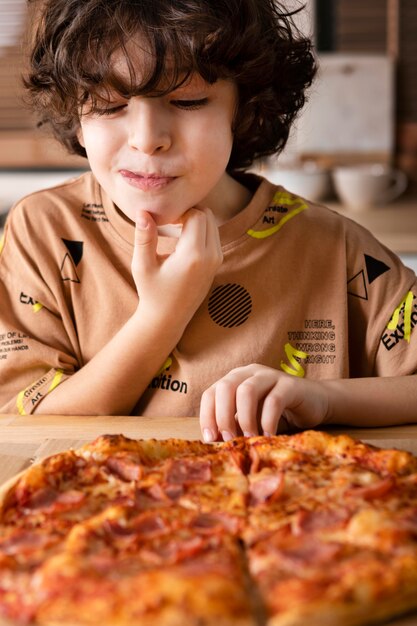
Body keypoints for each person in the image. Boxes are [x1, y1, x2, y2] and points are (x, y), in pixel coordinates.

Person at [0, 0, 416, 438]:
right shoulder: (43, 230)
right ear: (77, 119)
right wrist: (161, 315)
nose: (147, 140)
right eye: (108, 105)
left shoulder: (334, 248)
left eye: (188, 100)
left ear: (243, 107)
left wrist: (326, 399)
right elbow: (21, 418)